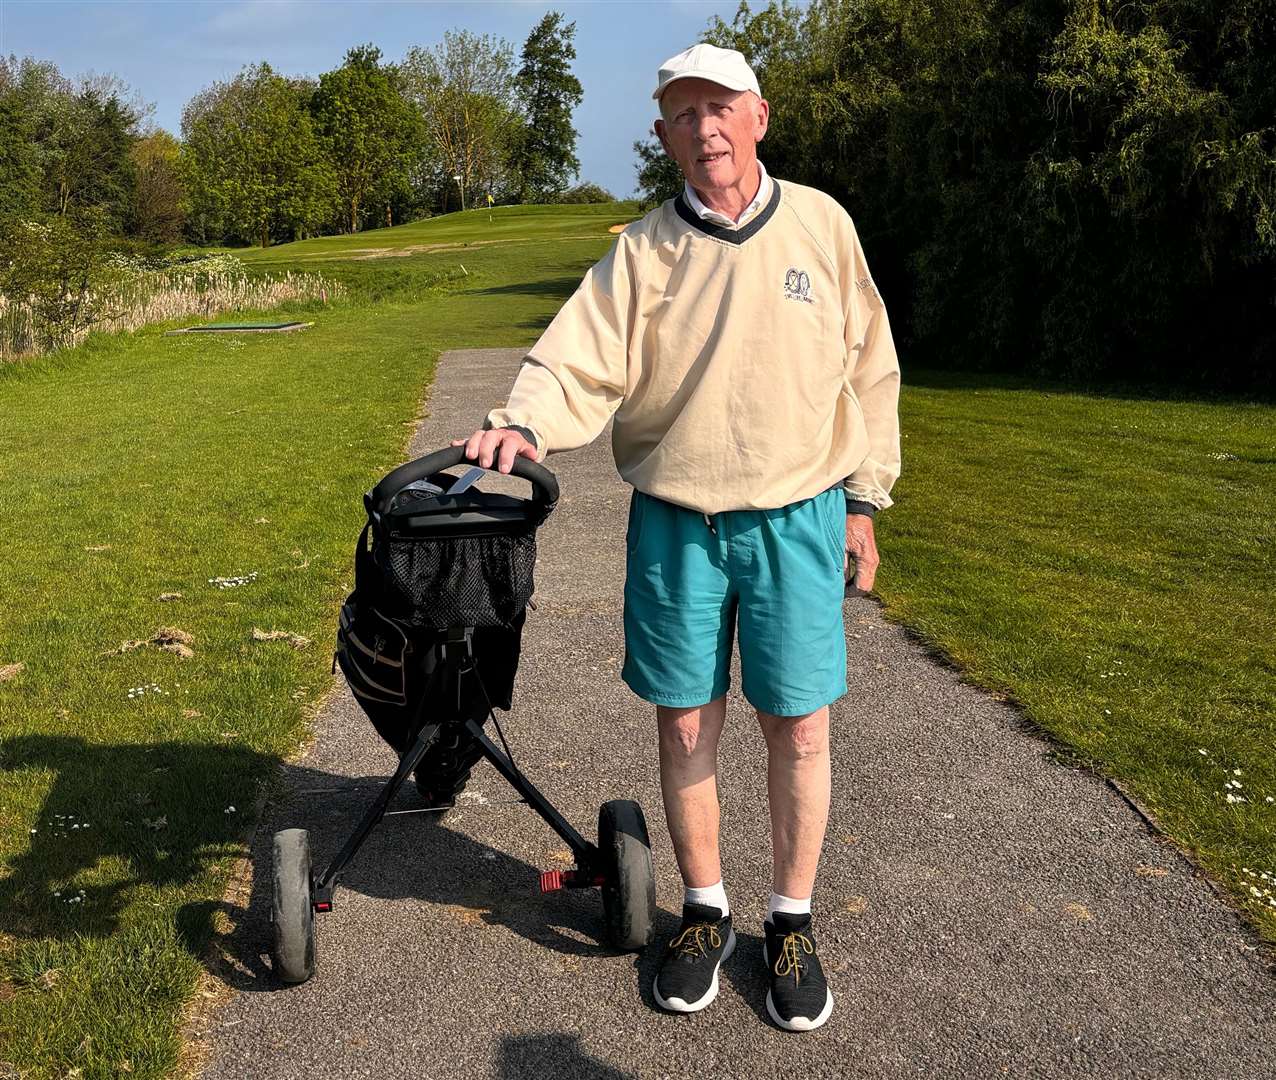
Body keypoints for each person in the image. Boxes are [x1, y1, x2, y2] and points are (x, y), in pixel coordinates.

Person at [454, 42, 901, 1032]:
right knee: (688, 722)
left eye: (719, 107)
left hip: (798, 516)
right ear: (662, 135)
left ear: (758, 118)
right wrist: (523, 421)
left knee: (799, 725)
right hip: (678, 523)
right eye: (682, 113)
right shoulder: (644, 251)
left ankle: (788, 922)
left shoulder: (822, 227)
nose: (702, 128)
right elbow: (575, 358)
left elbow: (869, 369)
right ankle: (704, 911)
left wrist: (864, 501)